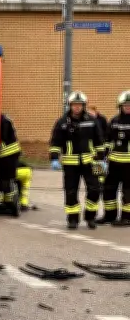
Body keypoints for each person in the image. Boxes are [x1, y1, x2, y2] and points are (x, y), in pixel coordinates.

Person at [49, 91, 106, 229]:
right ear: (70, 105)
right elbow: (55, 143)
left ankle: (90, 217)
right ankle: (72, 219)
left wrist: (102, 160)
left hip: (91, 162)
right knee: (70, 192)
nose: (77, 107)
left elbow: (99, 141)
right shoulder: (62, 122)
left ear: (84, 106)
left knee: (95, 189)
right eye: (74, 105)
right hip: (70, 164)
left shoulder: (92, 121)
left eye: (80, 105)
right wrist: (54, 159)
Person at [97, 91, 130, 226]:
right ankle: (109, 216)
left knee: (128, 192)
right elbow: (107, 141)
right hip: (114, 163)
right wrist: (102, 157)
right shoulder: (114, 121)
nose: (128, 107)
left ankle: (127, 217)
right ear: (120, 106)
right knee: (108, 189)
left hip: (129, 164)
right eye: (125, 105)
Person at [0, 113, 21, 210]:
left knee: (5, 178)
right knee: (5, 178)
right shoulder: (4, 119)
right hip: (10, 154)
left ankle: (9, 203)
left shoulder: (3, 121)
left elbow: (3, 137)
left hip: (8, 154)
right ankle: (6, 202)